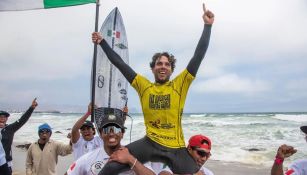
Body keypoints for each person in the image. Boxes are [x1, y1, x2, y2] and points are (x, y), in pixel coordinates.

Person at [92, 3, 214, 174]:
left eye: (166, 64)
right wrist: (102, 42)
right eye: (159, 64)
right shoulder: (144, 86)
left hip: (176, 148)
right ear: (153, 68)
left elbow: (198, 56)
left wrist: (207, 26)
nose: (163, 67)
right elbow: (120, 63)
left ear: (171, 69)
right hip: (149, 143)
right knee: (111, 166)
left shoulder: (180, 84)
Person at [66, 112, 156, 175]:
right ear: (100, 134)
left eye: (116, 129)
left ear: (122, 133)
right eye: (107, 129)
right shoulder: (88, 159)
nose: (111, 133)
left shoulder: (135, 156)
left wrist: (130, 160)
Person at [0, 98, 38, 172]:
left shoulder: (10, 129)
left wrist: (31, 108)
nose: (2, 118)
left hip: (6, 161)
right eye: (0, 116)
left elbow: (22, 120)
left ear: (7, 119)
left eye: (4, 117)